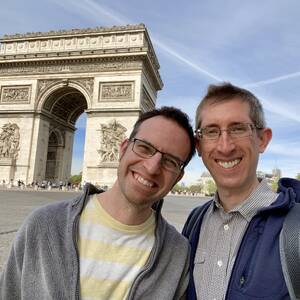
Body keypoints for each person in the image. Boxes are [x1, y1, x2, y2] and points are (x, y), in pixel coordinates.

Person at [0, 106, 195, 300]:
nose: (152, 168)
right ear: (123, 148)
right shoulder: (43, 224)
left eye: (170, 161)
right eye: (144, 147)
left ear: (178, 177)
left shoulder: (178, 253)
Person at [182, 82, 300, 300]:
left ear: (262, 139)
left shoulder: (297, 228)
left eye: (238, 128)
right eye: (211, 131)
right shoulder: (194, 221)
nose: (225, 146)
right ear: (199, 146)